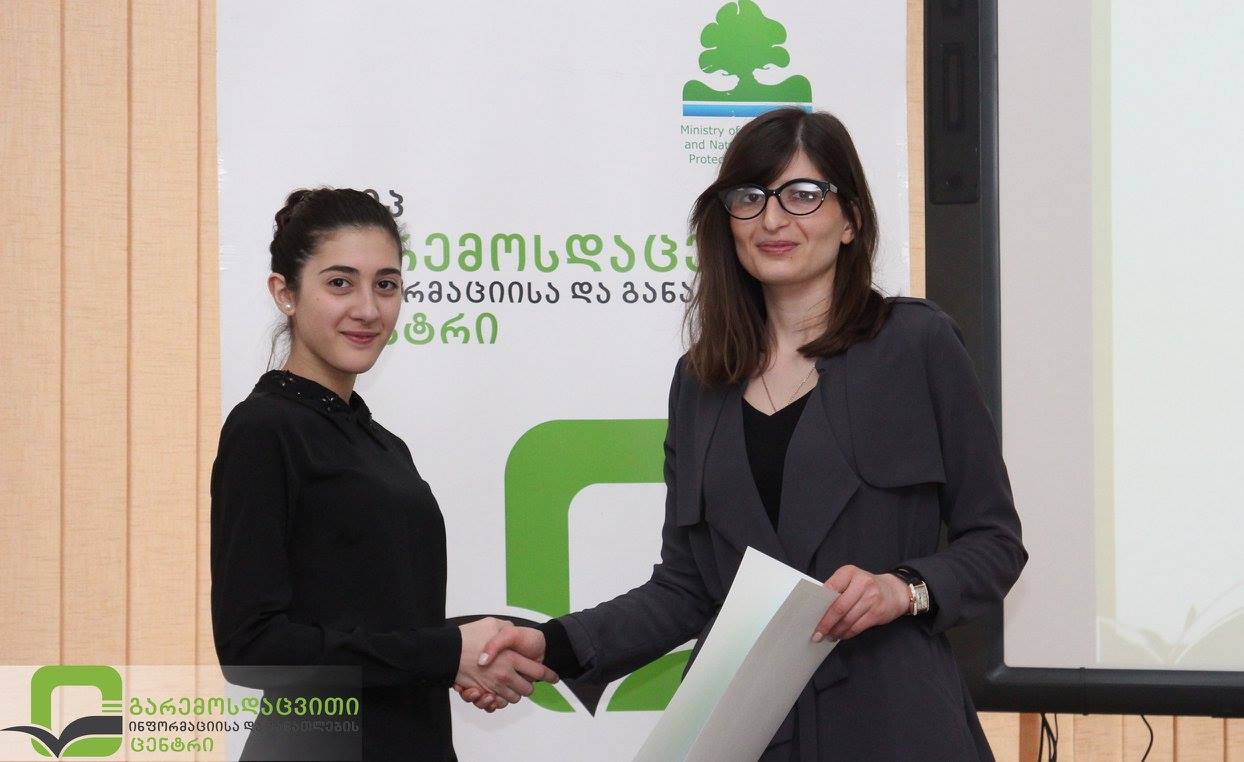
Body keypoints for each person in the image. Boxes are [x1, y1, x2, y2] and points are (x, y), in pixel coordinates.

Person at [464, 109, 1028, 760]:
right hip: (748, 732)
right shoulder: (699, 381)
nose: (773, 219)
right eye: (750, 197)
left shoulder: (916, 343)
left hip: (894, 723)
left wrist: (901, 589)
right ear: (726, 220)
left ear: (851, 219)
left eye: (803, 194)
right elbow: (686, 588)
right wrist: (553, 644)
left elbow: (995, 542)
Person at [210, 188, 557, 761]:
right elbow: (252, 648)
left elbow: (379, 618)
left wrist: (472, 651)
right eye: (340, 283)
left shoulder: (384, 446)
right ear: (285, 292)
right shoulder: (264, 429)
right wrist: (445, 653)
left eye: (386, 285)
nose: (369, 309)